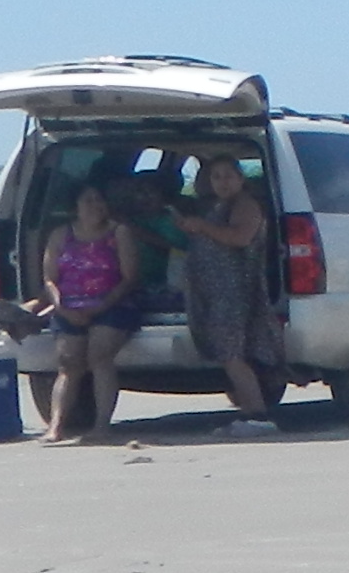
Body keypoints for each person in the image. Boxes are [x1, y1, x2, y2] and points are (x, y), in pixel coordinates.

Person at [171, 154, 284, 434]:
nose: (222, 182)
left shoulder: (246, 205)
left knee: (232, 354)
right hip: (213, 290)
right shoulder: (214, 206)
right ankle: (247, 413)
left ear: (241, 178)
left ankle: (257, 415)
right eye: (216, 176)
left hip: (234, 291)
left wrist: (202, 227)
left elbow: (241, 237)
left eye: (228, 175)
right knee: (228, 353)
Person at [37, 182, 145, 444]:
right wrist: (62, 308)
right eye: (88, 200)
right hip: (69, 308)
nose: (95, 205)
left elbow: (129, 278)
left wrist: (101, 307)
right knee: (68, 363)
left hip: (114, 306)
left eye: (99, 200)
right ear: (75, 206)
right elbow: (50, 279)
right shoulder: (60, 235)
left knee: (99, 356)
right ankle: (56, 427)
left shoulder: (119, 233)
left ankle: (101, 426)